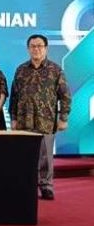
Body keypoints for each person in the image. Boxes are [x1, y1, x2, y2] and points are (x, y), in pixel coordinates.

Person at [9, 34, 72, 201]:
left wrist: (64, 118)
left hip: (46, 120)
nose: (36, 49)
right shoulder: (21, 70)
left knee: (45, 157)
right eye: (33, 46)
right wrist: (13, 118)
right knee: (25, 156)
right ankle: (26, 186)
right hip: (24, 122)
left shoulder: (55, 70)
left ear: (46, 48)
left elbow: (65, 95)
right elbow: (14, 96)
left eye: (39, 46)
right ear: (28, 49)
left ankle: (46, 186)